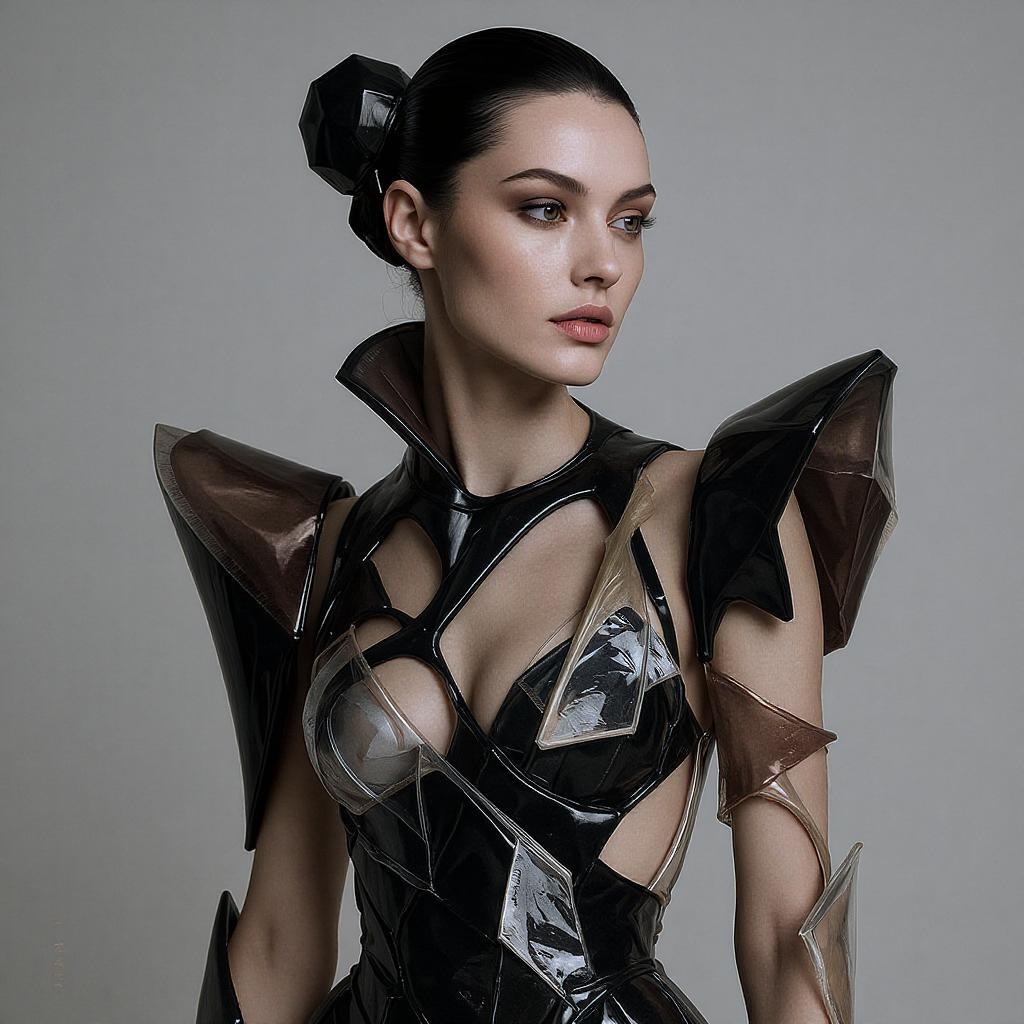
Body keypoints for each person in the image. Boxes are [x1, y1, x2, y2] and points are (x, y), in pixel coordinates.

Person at [153, 27, 898, 1024]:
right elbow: (282, 937)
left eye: (630, 220)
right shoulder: (330, 547)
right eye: (545, 209)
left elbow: (785, 939)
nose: (603, 264)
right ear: (413, 222)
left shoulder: (717, 518)